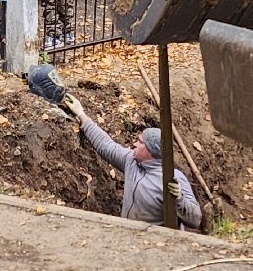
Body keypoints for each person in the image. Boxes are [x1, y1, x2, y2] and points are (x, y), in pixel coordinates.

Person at [64, 96, 202, 229]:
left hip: (156, 243)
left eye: (140, 142)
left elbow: (195, 220)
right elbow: (106, 145)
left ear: (151, 152)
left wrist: (179, 199)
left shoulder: (173, 178)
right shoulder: (131, 161)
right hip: (129, 236)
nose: (134, 144)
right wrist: (81, 114)